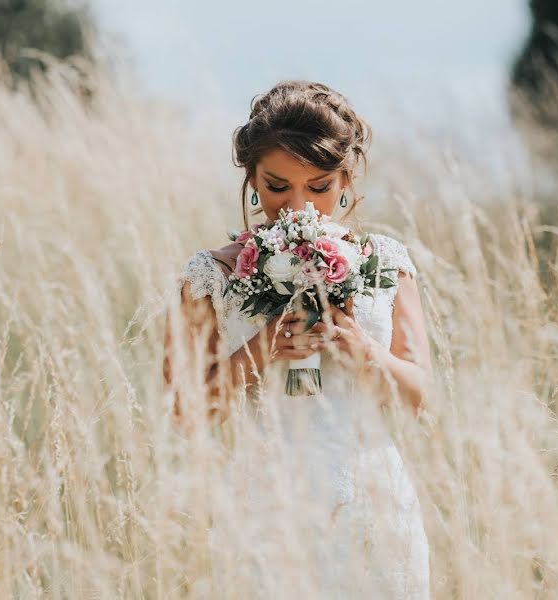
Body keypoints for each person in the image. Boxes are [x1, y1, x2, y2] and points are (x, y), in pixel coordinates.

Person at [163, 80, 433, 599]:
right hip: (265, 511)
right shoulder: (211, 275)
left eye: (320, 186)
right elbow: (181, 410)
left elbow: (421, 396)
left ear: (347, 178)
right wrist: (260, 349)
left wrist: (363, 351)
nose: (299, 207)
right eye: (277, 185)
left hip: (374, 506)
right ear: (251, 178)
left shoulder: (385, 263)